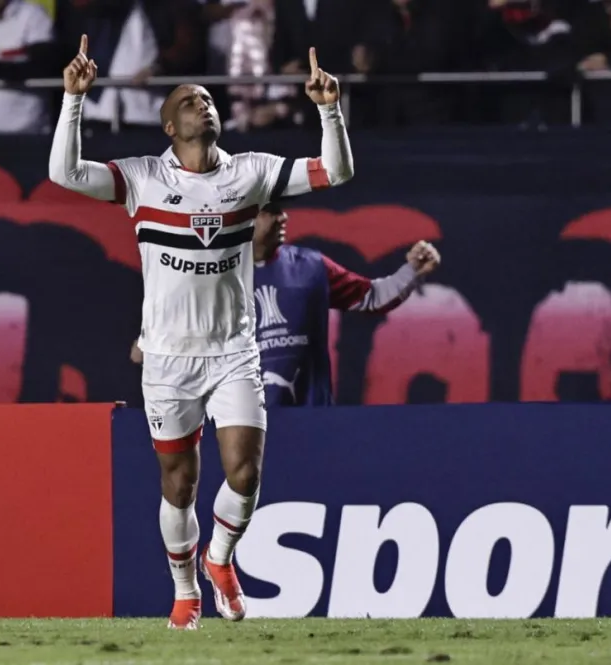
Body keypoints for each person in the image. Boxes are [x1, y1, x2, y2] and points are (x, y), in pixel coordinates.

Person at [49, 34, 353, 630]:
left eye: (209, 100)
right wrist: (73, 100)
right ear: (168, 125)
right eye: (190, 101)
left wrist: (328, 109)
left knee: (244, 473)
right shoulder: (139, 180)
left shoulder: (252, 174)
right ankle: (184, 589)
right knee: (179, 485)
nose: (203, 105)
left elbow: (336, 171)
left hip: (235, 353)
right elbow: (64, 172)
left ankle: (220, 561)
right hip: (167, 360)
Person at [132, 203, 441, 406]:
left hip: (314, 421)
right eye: (270, 211)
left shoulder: (311, 265)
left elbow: (372, 297)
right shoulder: (211, 280)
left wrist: (411, 271)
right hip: (243, 433)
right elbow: (143, 352)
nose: (283, 217)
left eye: (282, 209)